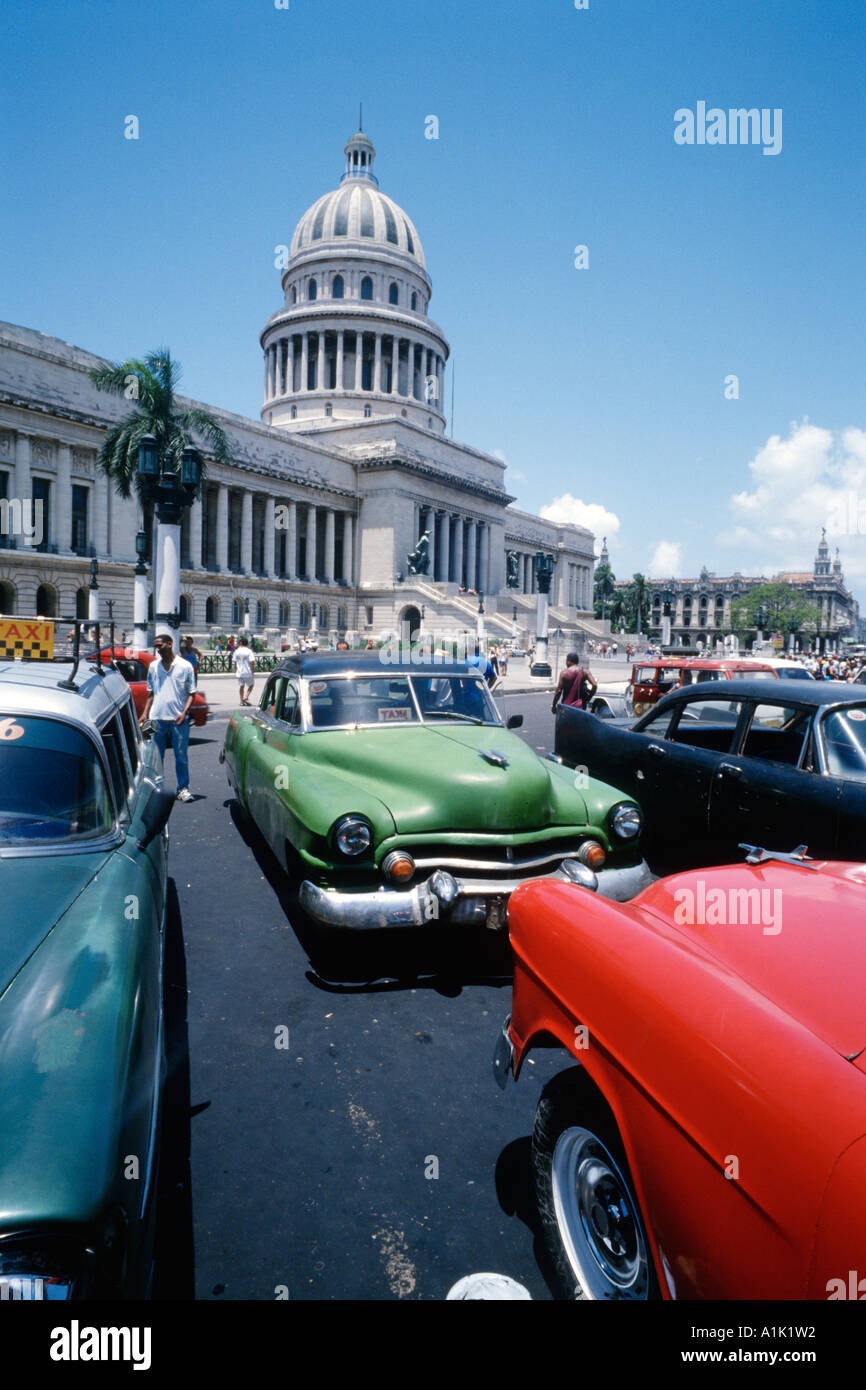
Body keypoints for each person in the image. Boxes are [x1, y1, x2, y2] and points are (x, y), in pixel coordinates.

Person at [141, 633, 196, 802]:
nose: (157, 649)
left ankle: (183, 789)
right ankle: (156, 789)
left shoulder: (185, 666)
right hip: (156, 718)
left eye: (160, 645)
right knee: (154, 757)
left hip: (178, 720)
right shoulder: (153, 667)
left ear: (170, 644)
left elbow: (191, 694)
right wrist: (144, 714)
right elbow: (151, 693)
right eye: (156, 646)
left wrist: (184, 712)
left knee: (181, 756)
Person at [233, 634, 256, 705]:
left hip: (239, 672)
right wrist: (252, 671)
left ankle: (241, 702)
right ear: (247, 643)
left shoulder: (236, 651)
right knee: (251, 685)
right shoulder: (249, 651)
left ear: (241, 643)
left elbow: (235, 662)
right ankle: (246, 697)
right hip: (247, 672)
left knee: (241, 686)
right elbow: (252, 662)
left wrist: (236, 670)